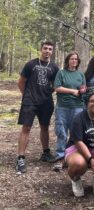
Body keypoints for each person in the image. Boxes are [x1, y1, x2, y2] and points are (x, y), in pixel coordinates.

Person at [16, 41, 59, 174]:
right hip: (30, 101)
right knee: (26, 127)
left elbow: (56, 84)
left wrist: (47, 93)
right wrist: (27, 96)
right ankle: (21, 158)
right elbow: (21, 82)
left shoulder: (54, 67)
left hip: (46, 102)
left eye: (50, 49)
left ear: (52, 51)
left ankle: (45, 153)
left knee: (44, 127)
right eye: (45, 48)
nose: (47, 51)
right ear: (41, 49)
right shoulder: (31, 64)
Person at [52, 51, 86, 169]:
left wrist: (83, 91)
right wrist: (72, 91)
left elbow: (83, 88)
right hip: (63, 107)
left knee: (75, 133)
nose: (74, 61)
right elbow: (57, 87)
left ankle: (72, 156)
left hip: (77, 107)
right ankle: (60, 158)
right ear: (68, 61)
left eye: (76, 59)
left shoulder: (80, 75)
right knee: (61, 132)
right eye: (72, 59)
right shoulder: (61, 73)